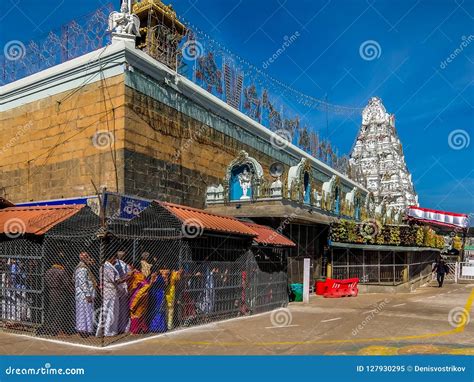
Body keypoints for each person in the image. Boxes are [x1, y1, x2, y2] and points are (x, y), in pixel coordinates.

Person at [38, 254, 72, 336]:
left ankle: (48, 328)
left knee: (51, 311)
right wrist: (71, 290)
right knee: (59, 312)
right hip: (60, 292)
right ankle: (56, 329)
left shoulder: (48, 271)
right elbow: (67, 283)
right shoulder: (62, 271)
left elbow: (45, 281)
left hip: (51, 292)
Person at [127, 260, 156, 334]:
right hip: (144, 295)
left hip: (137, 296)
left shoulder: (134, 274)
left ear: (132, 265)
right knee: (141, 312)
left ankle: (135, 330)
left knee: (135, 313)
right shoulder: (142, 274)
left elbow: (129, 283)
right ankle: (142, 328)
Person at [96, 253, 121, 337]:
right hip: (111, 292)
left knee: (105, 311)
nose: (116, 262)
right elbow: (115, 281)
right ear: (112, 258)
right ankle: (109, 331)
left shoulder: (103, 266)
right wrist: (127, 277)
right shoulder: (108, 267)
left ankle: (102, 331)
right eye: (115, 259)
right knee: (112, 311)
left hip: (107, 291)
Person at [74, 252, 96, 337]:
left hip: (85, 295)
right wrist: (87, 295)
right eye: (87, 257)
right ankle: (83, 331)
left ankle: (86, 330)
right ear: (83, 258)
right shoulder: (82, 269)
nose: (89, 258)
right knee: (83, 312)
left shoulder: (85, 267)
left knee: (87, 312)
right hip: (84, 296)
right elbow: (82, 283)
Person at [114, 251, 131, 334]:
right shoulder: (125, 265)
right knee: (123, 308)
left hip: (116, 288)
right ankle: (122, 327)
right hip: (123, 287)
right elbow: (128, 275)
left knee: (116, 309)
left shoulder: (113, 265)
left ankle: (116, 327)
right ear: (124, 257)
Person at [148, 266, 168, 333]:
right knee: (153, 309)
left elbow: (163, 285)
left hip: (158, 295)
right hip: (153, 295)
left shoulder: (159, 278)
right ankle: (153, 327)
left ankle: (159, 327)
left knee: (159, 310)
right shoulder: (150, 277)